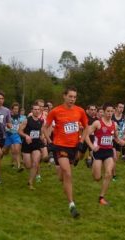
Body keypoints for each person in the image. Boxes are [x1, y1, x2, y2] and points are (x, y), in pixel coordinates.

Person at [43, 87, 89, 218]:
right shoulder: (55, 111)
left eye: (74, 97)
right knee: (68, 173)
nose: (72, 99)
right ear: (64, 96)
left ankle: (61, 174)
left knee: (62, 176)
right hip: (60, 147)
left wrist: (81, 141)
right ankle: (72, 204)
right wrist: (50, 142)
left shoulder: (80, 111)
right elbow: (44, 128)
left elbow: (86, 128)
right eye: (70, 96)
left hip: (74, 147)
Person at [84, 103, 125, 205]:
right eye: (108, 111)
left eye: (111, 111)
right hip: (98, 152)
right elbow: (85, 135)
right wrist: (92, 147)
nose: (110, 113)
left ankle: (101, 197)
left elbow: (115, 137)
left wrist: (120, 141)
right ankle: (94, 169)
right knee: (97, 177)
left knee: (108, 173)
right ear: (103, 112)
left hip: (108, 152)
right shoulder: (97, 123)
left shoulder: (114, 124)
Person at [18, 103, 45, 190]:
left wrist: (42, 137)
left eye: (38, 109)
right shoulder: (27, 120)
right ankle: (23, 160)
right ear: (32, 110)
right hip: (27, 145)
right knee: (28, 165)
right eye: (35, 109)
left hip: (36, 145)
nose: (37, 111)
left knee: (35, 163)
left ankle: (30, 182)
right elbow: (19, 131)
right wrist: (26, 136)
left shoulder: (41, 121)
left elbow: (41, 132)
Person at [4, 102, 25, 172]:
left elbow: (22, 124)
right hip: (8, 134)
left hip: (16, 135)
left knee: (17, 150)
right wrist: (8, 126)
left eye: (17, 109)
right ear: (11, 109)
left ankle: (19, 165)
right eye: (15, 109)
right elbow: (5, 124)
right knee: (5, 151)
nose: (16, 110)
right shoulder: (8, 116)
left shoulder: (20, 117)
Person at [111, 102, 125, 181]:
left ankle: (110, 171)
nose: (121, 109)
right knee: (114, 157)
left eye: (123, 107)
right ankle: (113, 175)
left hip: (120, 140)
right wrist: (116, 139)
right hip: (111, 139)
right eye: (120, 107)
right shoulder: (111, 116)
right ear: (116, 108)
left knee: (115, 159)